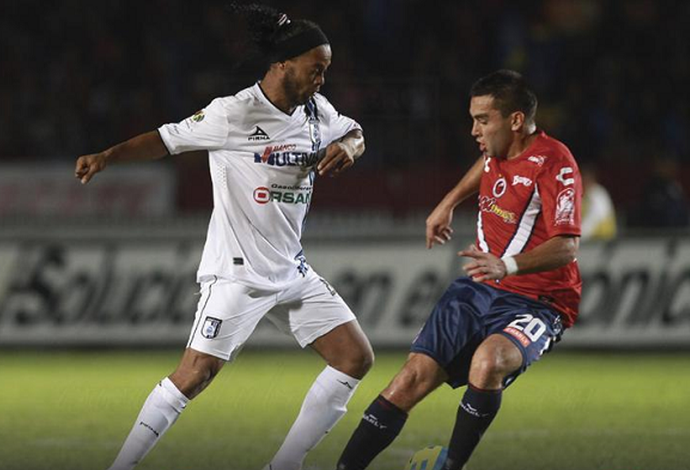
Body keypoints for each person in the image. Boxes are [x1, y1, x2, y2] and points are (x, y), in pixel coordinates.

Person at [75, 4, 374, 470]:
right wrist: (107, 157)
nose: (322, 79)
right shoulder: (234, 113)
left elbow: (354, 131)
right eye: (316, 69)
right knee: (194, 375)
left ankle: (285, 465)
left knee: (355, 357)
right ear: (283, 65)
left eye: (326, 70)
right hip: (238, 273)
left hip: (291, 271)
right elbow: (166, 138)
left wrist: (349, 147)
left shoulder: (317, 110)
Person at [335, 70, 582, 470]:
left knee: (489, 362)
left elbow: (568, 246)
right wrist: (448, 202)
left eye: (483, 120)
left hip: (538, 301)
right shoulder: (496, 150)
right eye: (473, 119)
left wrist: (508, 264)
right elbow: (484, 164)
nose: (473, 130)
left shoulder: (555, 163)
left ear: (516, 120)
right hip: (479, 288)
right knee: (408, 380)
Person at [580, 163, 616, 241]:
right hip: (593, 240)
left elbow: (594, 217)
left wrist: (580, 235)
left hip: (603, 240)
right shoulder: (585, 195)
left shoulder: (597, 194)